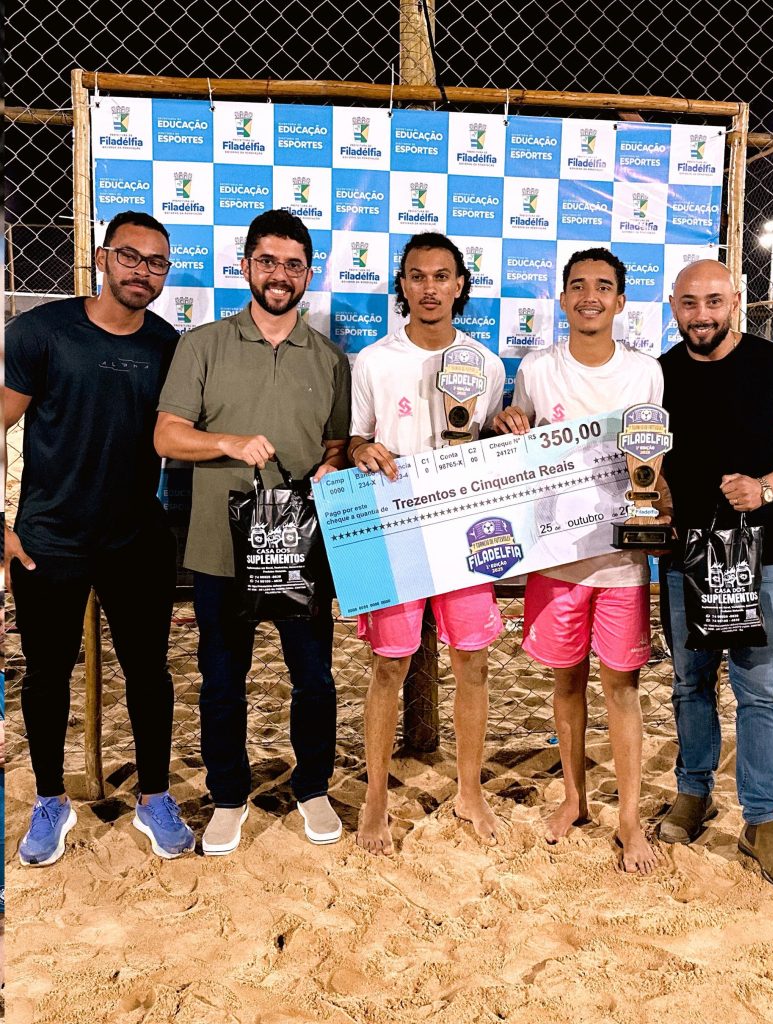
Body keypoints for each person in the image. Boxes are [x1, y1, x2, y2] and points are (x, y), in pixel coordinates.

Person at [154, 208, 351, 855]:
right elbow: (167, 435)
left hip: (299, 549)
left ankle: (313, 786)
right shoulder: (202, 343)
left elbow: (336, 443)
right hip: (218, 549)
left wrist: (329, 466)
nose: (279, 274)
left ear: (308, 274)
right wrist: (229, 442)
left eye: (293, 264)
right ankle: (230, 796)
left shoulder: (327, 358)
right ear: (244, 266)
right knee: (221, 679)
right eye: (267, 260)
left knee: (314, 679)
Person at [5, 210, 194, 864]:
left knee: (149, 673)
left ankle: (156, 796)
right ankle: (51, 800)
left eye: (157, 262)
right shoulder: (39, 333)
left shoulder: (170, 348)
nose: (143, 271)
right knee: (47, 674)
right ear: (102, 257)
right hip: (49, 538)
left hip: (136, 538)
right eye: (131, 256)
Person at [494, 247, 666, 875]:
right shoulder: (537, 369)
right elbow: (517, 443)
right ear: (562, 298)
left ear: (621, 301)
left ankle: (628, 817)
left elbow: (653, 464)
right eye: (577, 286)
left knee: (621, 687)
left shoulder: (646, 373)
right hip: (554, 557)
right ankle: (573, 798)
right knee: (566, 682)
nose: (589, 296)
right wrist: (505, 422)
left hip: (621, 559)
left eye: (603, 286)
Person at [657, 259, 773, 896]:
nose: (703, 314)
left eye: (714, 301)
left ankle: (764, 823)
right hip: (682, 557)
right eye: (690, 303)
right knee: (689, 683)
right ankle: (692, 795)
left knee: (760, 690)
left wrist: (768, 486)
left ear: (737, 301)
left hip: (760, 558)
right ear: (673, 305)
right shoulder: (658, 374)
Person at [349, 232, 506, 856]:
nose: (430, 288)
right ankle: (375, 802)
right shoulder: (374, 360)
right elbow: (354, 441)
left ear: (460, 284)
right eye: (417, 276)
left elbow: (490, 445)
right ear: (403, 285)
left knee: (472, 661)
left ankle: (469, 791)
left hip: (464, 530)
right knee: (388, 665)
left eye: (442, 276)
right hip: (392, 530)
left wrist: (504, 425)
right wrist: (363, 451)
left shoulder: (487, 364)